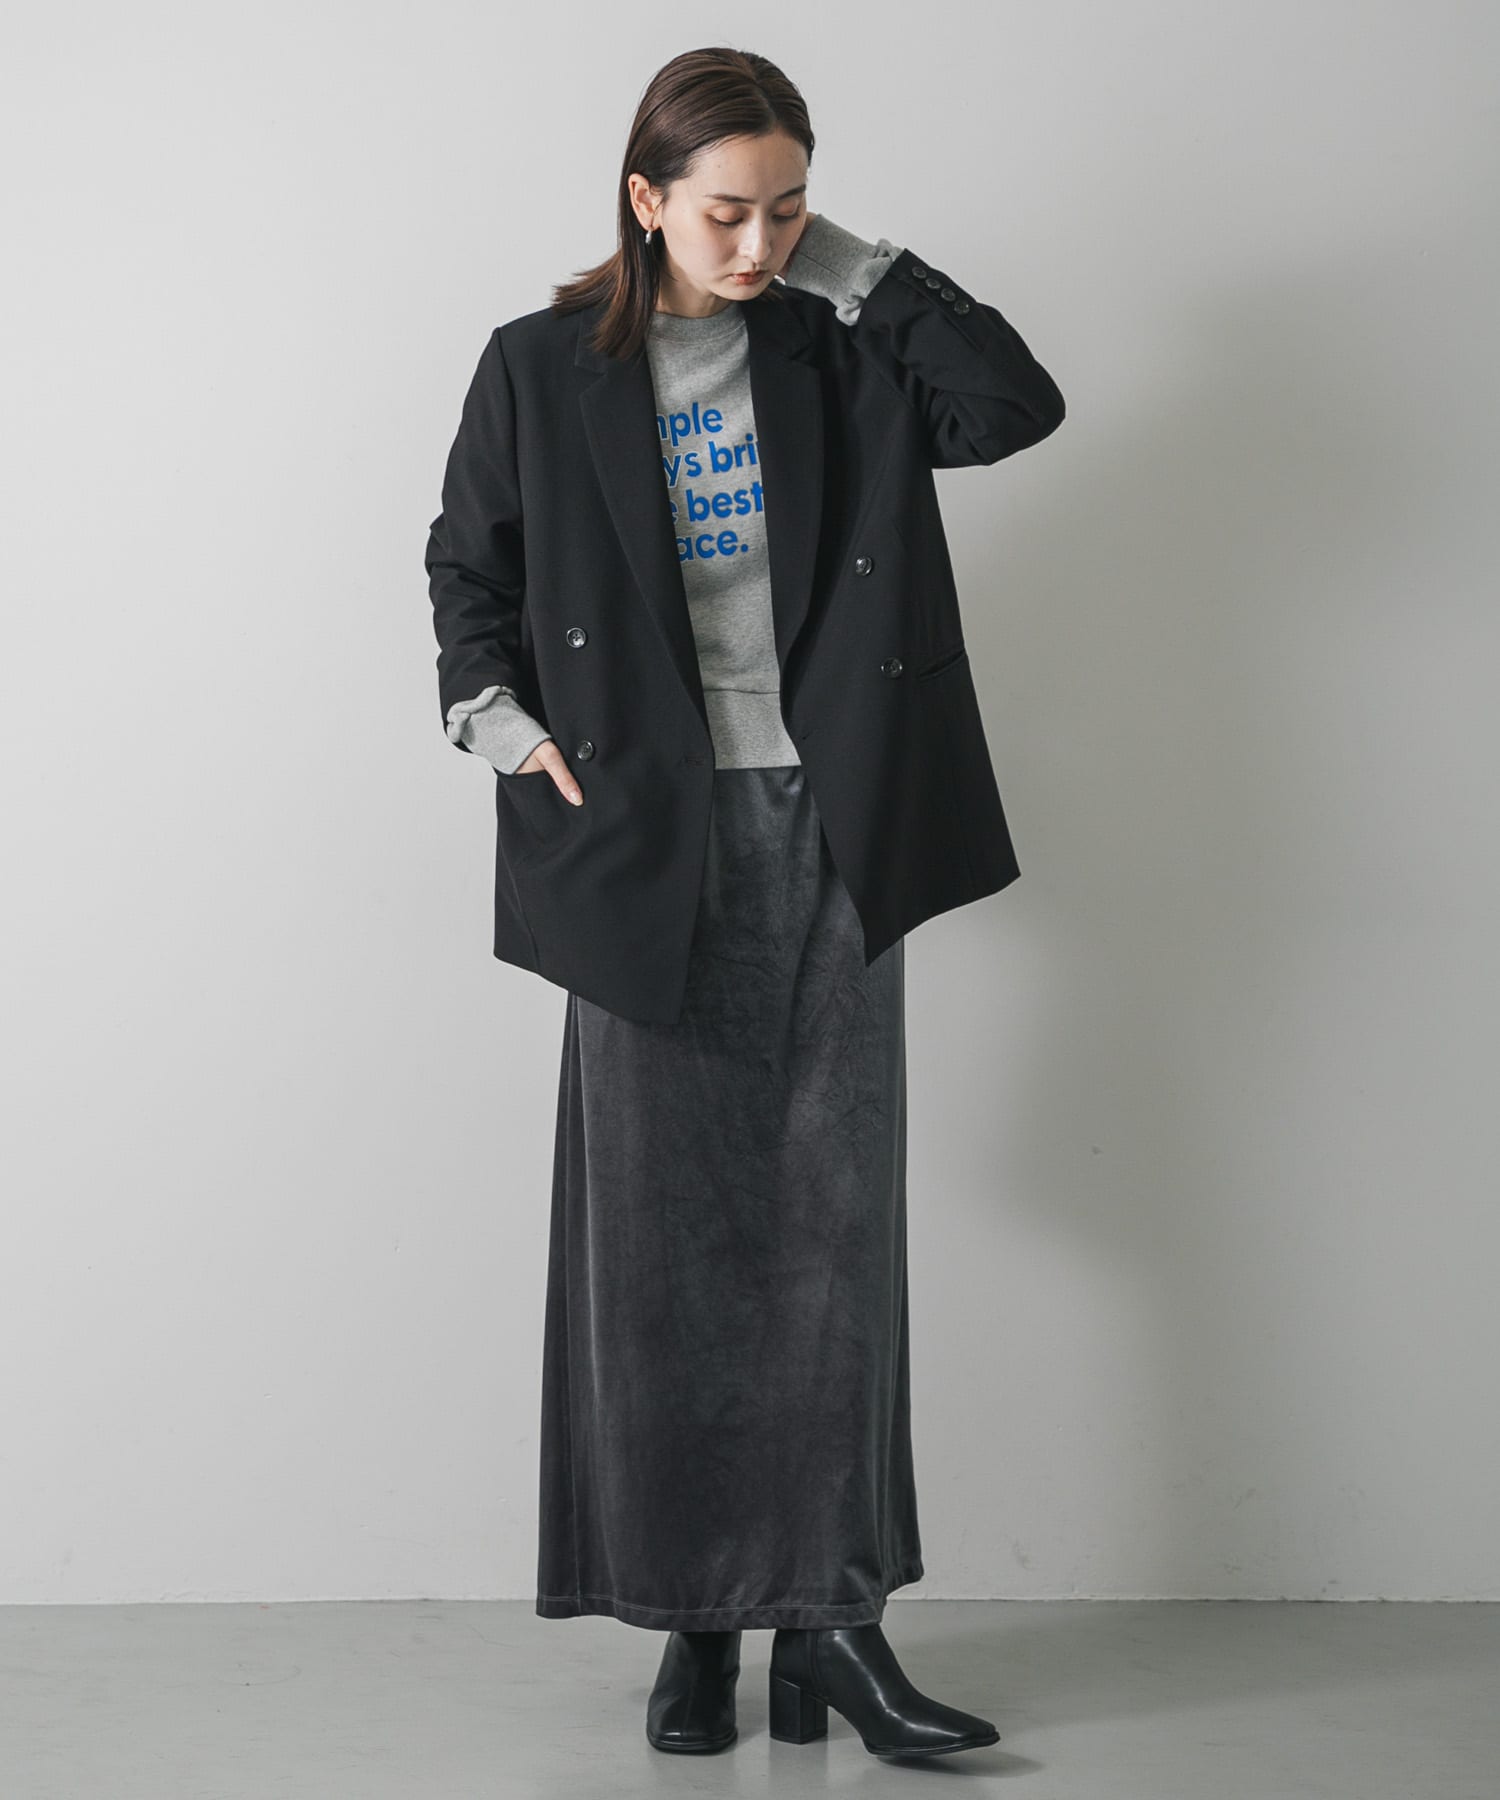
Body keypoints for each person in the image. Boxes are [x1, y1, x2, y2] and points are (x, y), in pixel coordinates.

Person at [425, 45, 1065, 1761]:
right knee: (659, 1249)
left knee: (833, 1236)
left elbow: (1013, 406)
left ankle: (832, 1624)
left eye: (789, 208)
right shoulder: (537, 365)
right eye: (726, 210)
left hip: (834, 821)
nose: (760, 241)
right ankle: (693, 1624)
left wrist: (847, 265)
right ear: (645, 197)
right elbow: (469, 567)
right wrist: (497, 722)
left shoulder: (834, 346)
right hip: (637, 839)